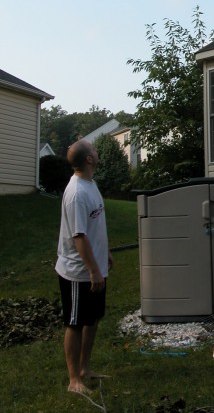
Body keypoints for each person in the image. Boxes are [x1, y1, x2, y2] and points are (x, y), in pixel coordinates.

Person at [55, 139, 113, 395]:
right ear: (88, 159)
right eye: (94, 149)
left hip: (95, 267)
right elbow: (79, 236)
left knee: (92, 319)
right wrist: (92, 270)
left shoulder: (90, 184)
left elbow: (94, 226)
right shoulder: (77, 193)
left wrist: (105, 253)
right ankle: (73, 381)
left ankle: (84, 369)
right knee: (76, 323)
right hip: (79, 272)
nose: (97, 151)